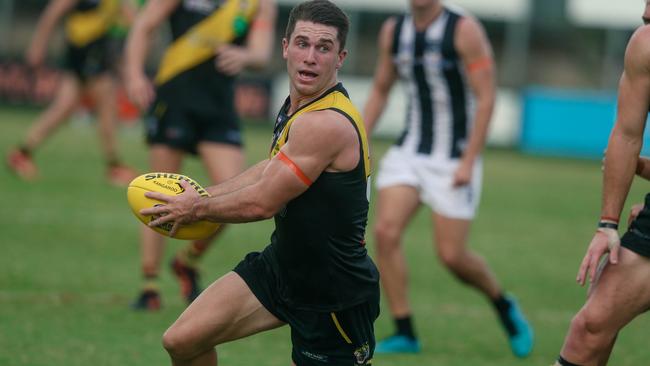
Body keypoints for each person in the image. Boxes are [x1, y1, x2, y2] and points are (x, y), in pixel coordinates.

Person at [136, 1, 380, 364]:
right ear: (285, 48)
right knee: (183, 340)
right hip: (281, 266)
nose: (310, 57)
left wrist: (197, 208)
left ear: (339, 57)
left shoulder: (325, 123)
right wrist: (199, 194)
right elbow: (270, 169)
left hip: (332, 291)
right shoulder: (298, 106)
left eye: (323, 47)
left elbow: (262, 203)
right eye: (302, 44)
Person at [362, 0, 534, 357]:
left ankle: (503, 305)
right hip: (410, 150)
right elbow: (381, 88)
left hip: (454, 157)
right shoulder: (394, 31)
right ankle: (405, 331)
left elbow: (486, 98)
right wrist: (356, 140)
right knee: (384, 233)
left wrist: (470, 161)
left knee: (452, 257)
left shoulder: (463, 29)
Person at [124, 0, 276, 310]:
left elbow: (261, 53)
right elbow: (143, 25)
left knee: (234, 192)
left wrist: (244, 56)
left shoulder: (258, 3)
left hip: (218, 106)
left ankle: (187, 261)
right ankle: (149, 285)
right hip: (175, 98)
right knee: (155, 194)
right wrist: (134, 75)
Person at [553, 3, 650, 365]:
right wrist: (607, 224)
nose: (646, 14)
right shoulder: (645, 45)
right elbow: (626, 134)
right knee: (590, 326)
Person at [5, 0, 138, 186]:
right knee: (107, 103)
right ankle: (114, 165)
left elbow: (126, 14)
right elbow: (53, 11)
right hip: (85, 47)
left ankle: (22, 153)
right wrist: (38, 46)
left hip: (94, 48)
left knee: (65, 106)